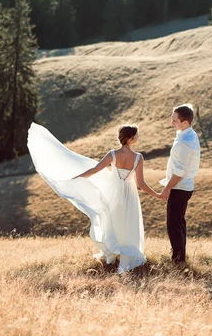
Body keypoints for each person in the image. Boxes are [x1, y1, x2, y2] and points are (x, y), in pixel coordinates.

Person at [27, 123, 161, 274]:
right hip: (129, 194)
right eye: (136, 135)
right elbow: (141, 184)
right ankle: (126, 257)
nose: (138, 137)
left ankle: (114, 253)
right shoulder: (138, 157)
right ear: (130, 139)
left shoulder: (113, 154)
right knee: (128, 222)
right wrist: (157, 194)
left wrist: (77, 179)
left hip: (113, 191)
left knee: (113, 221)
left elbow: (95, 169)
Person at [159, 104, 201, 265]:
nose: (172, 123)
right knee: (179, 222)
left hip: (179, 187)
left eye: (175, 120)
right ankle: (180, 256)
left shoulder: (185, 142)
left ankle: (178, 260)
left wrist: (167, 187)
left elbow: (180, 170)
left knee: (173, 225)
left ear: (185, 122)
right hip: (184, 186)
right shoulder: (187, 134)